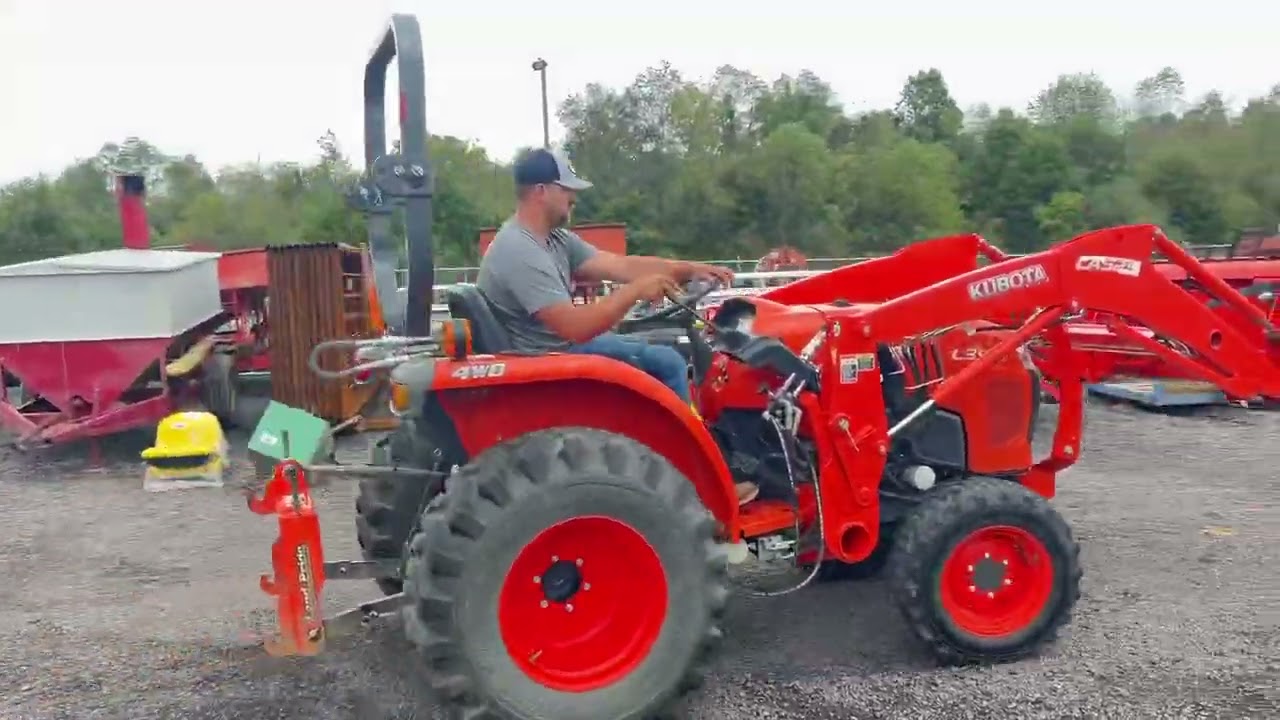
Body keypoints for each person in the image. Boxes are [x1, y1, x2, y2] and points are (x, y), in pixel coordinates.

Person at [476, 147, 758, 504]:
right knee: (669, 362)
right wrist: (637, 292)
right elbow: (574, 327)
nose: (574, 197)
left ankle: (686, 463)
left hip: (553, 349)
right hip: (549, 357)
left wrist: (687, 270)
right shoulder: (519, 249)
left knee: (661, 347)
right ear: (540, 192)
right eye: (567, 189)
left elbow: (620, 266)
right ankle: (702, 487)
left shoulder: (554, 240)